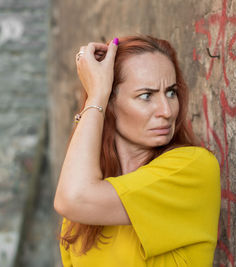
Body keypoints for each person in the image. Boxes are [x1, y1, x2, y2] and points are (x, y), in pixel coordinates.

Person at [53, 35, 221, 267]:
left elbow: (73, 199)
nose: (166, 110)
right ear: (109, 103)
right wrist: (97, 95)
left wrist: (95, 97)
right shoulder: (83, 203)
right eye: (146, 95)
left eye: (171, 92)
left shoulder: (193, 168)